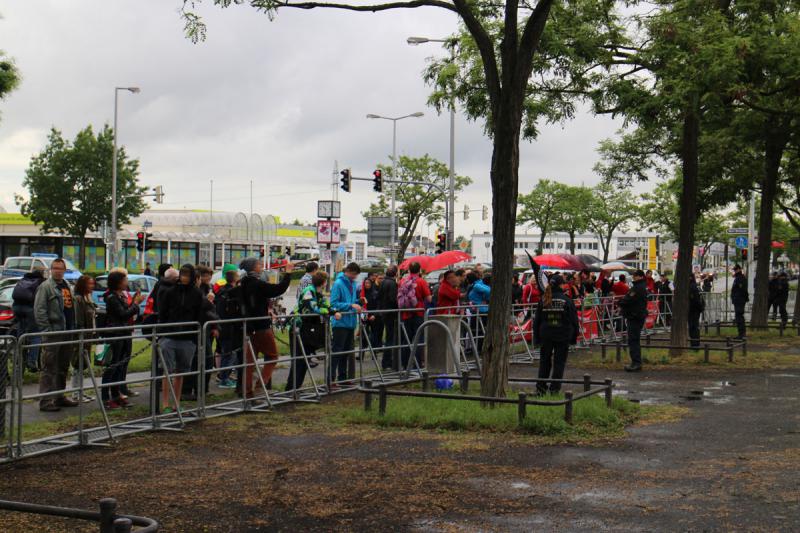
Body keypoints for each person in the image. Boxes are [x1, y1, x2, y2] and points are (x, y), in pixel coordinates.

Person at [239, 257, 293, 396]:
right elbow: (278, 289)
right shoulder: (257, 284)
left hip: (249, 326)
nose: (261, 266)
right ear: (253, 267)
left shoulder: (243, 283)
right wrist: (288, 274)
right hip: (261, 326)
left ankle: (247, 391)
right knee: (273, 356)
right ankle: (259, 386)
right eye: (258, 264)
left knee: (249, 362)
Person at [33, 258, 79, 411]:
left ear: (65, 270)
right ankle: (45, 401)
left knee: (63, 366)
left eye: (61, 268)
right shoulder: (46, 287)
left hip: (67, 331)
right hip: (53, 332)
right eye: (55, 268)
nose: (58, 271)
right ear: (51, 270)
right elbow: (39, 310)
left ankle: (59, 396)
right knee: (49, 367)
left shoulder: (66, 285)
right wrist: (47, 330)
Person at [158, 265, 205, 413]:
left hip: (187, 338)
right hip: (170, 336)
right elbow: (163, 312)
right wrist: (165, 329)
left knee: (181, 372)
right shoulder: (170, 292)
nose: (184, 277)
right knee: (167, 371)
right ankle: (165, 404)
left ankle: (176, 403)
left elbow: (200, 314)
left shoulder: (197, 293)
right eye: (182, 274)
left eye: (187, 274)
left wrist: (195, 334)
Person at [103, 270, 144, 409]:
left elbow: (128, 310)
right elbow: (123, 314)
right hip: (116, 334)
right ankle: (106, 397)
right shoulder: (112, 298)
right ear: (118, 282)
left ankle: (116, 394)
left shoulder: (120, 296)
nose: (127, 282)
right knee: (112, 366)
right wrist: (136, 304)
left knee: (119, 365)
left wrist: (134, 302)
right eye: (125, 279)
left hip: (124, 332)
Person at [532, 274, 579, 395]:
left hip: (546, 335)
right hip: (562, 335)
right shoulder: (567, 300)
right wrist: (574, 337)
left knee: (544, 362)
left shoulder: (543, 299)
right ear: (561, 285)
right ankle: (554, 390)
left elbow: (537, 321)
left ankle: (541, 389)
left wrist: (536, 338)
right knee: (559, 363)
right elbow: (574, 321)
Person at [286, 271, 330, 391]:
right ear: (323, 282)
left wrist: (333, 311)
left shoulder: (319, 293)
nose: (326, 283)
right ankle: (290, 389)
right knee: (298, 359)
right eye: (326, 281)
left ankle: (297, 387)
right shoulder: (309, 291)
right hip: (298, 327)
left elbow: (326, 305)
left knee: (304, 360)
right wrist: (328, 311)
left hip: (307, 328)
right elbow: (312, 307)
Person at [329, 262, 362, 386]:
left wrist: (359, 302)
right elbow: (333, 304)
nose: (355, 277)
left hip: (350, 322)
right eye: (353, 274)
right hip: (340, 323)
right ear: (348, 271)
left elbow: (352, 301)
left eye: (356, 275)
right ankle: (331, 379)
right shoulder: (338, 284)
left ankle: (342, 378)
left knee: (347, 352)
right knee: (337, 351)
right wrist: (350, 305)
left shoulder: (352, 284)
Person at [12, 265, 46, 372]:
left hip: (17, 308)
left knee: (21, 333)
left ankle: (18, 359)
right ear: (42, 273)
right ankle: (32, 361)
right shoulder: (41, 282)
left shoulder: (23, 279)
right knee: (36, 335)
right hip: (30, 309)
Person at [399, 262, 432, 369]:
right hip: (418, 313)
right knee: (418, 339)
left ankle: (405, 364)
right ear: (419, 270)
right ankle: (416, 364)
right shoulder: (421, 281)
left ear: (409, 269)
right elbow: (429, 299)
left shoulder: (403, 281)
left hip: (405, 313)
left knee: (406, 339)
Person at [214, 265, 242, 389]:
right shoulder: (232, 292)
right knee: (230, 354)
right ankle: (224, 378)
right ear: (235, 279)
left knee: (226, 352)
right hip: (229, 327)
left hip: (220, 325)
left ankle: (224, 376)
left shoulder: (221, 291)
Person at [71, 275, 97, 403]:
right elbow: (79, 320)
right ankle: (76, 393)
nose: (92, 286)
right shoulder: (79, 299)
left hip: (88, 336)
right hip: (82, 336)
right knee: (78, 364)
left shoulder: (88, 298)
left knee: (83, 365)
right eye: (89, 284)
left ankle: (80, 391)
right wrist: (81, 334)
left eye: (92, 284)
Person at [618, 270, 648, 372]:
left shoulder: (637, 288)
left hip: (634, 316)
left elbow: (628, 300)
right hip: (636, 316)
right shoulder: (641, 287)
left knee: (633, 340)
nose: (633, 277)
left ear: (640, 277)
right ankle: (636, 362)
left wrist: (620, 302)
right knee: (634, 339)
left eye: (635, 276)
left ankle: (636, 363)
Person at [377, 266, 398, 370]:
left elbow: (379, 297)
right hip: (391, 313)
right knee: (390, 338)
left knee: (388, 337)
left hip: (384, 312)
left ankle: (386, 362)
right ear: (395, 274)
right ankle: (387, 362)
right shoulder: (392, 283)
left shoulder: (383, 282)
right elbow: (392, 299)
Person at [467, 272, 490, 353]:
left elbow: (488, 291)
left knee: (478, 330)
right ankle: (477, 348)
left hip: (480, 311)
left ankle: (479, 349)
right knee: (477, 330)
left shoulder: (476, 285)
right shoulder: (478, 283)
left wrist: (486, 299)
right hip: (479, 310)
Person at [730, 264, 748, 340]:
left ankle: (742, 334)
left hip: (740, 300)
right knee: (738, 317)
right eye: (734, 270)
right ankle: (741, 333)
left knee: (739, 317)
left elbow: (741, 290)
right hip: (738, 300)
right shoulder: (738, 278)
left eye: (736, 270)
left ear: (739, 270)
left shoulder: (740, 278)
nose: (735, 271)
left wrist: (736, 298)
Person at [688, 275, 705, 349]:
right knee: (695, 327)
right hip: (696, 309)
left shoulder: (692, 287)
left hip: (693, 310)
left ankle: (694, 344)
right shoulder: (696, 286)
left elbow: (694, 300)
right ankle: (695, 343)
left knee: (693, 327)